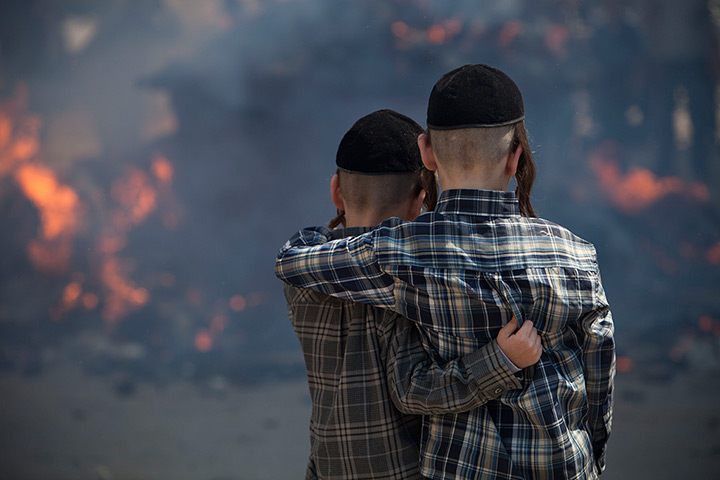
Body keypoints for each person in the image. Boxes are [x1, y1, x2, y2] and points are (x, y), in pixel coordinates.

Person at [276, 66, 615, 479]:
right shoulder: (577, 254)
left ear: (428, 153)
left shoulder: (406, 254)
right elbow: (600, 379)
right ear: (516, 157)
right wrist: (594, 457)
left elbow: (292, 263)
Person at [284, 109, 542, 480]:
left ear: (336, 191)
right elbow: (417, 390)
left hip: (328, 468)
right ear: (421, 200)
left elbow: (307, 243)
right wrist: (500, 362)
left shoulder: (303, 273)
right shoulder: (410, 281)